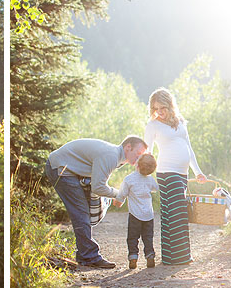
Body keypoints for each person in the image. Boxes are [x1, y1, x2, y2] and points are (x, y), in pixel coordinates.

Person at [45, 135, 147, 269]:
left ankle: (84, 255)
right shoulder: (111, 156)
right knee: (81, 212)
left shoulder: (118, 157)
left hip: (67, 169)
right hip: (60, 169)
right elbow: (98, 187)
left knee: (85, 210)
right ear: (128, 147)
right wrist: (121, 194)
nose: (139, 158)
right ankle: (89, 256)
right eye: (138, 153)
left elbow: (99, 183)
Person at [144, 88, 207, 265]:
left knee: (180, 212)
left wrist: (198, 171)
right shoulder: (153, 125)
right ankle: (173, 257)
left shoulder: (181, 122)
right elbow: (147, 152)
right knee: (173, 212)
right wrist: (143, 174)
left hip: (182, 173)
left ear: (170, 105)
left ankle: (179, 255)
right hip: (166, 172)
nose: (159, 112)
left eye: (162, 107)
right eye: (156, 108)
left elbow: (189, 148)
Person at [113, 153, 159, 269]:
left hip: (135, 215)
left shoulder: (129, 179)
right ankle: (150, 256)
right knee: (148, 237)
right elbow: (156, 189)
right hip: (149, 215)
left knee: (133, 237)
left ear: (137, 165)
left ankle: (133, 257)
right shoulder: (150, 180)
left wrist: (117, 202)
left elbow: (121, 194)